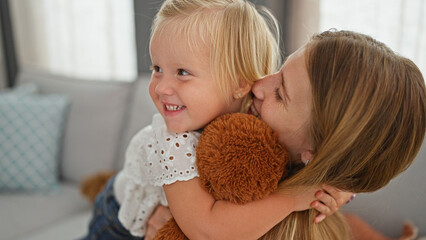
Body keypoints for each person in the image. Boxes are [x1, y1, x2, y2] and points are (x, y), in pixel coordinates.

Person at [81, 0, 350, 239]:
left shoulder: (255, 115)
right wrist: (293, 199)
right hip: (116, 219)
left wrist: (334, 193)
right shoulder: (173, 140)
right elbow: (206, 230)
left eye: (182, 72)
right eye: (157, 68)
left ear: (240, 83)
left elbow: (300, 158)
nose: (161, 87)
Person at [145, 30, 425, 240]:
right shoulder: (224, 118)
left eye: (280, 94)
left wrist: (338, 191)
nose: (258, 85)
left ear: (314, 157)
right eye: (278, 71)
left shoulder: (319, 190)